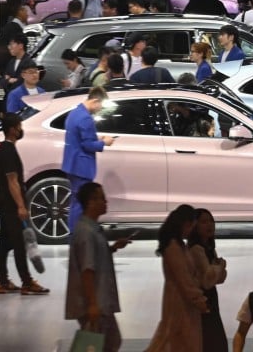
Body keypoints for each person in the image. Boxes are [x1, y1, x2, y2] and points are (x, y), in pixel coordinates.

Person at [66, 182, 130, 352]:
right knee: (102, 344)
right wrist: (92, 304)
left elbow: (94, 258)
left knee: (110, 342)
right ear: (90, 202)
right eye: (101, 198)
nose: (105, 201)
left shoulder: (91, 229)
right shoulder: (87, 233)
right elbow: (87, 270)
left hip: (100, 301)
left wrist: (112, 248)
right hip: (96, 302)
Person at [0, 113, 50, 295]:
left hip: (3, 203)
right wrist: (20, 206)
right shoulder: (8, 151)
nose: (21, 130)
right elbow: (12, 181)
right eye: (19, 126)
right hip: (10, 205)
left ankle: (2, 281)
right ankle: (27, 282)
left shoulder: (4, 148)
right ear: (12, 130)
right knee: (19, 244)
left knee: (4, 242)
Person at [145, 204, 209, 352]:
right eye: (191, 226)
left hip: (182, 300)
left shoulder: (179, 245)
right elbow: (183, 278)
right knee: (178, 340)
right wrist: (198, 299)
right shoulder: (173, 247)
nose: (191, 230)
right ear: (185, 224)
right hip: (179, 301)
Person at [63, 87, 114, 232]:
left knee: (75, 202)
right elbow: (87, 145)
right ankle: (77, 234)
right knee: (81, 204)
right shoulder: (86, 118)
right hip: (82, 166)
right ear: (95, 101)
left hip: (72, 164)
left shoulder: (75, 113)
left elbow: (80, 138)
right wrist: (105, 142)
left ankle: (74, 234)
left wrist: (96, 138)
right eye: (100, 106)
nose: (100, 110)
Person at [188, 208, 229, 352]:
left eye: (211, 221)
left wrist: (218, 268)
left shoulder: (209, 248)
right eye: (204, 222)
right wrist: (220, 266)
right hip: (201, 300)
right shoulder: (196, 249)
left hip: (210, 298)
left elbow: (218, 278)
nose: (210, 225)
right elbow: (208, 280)